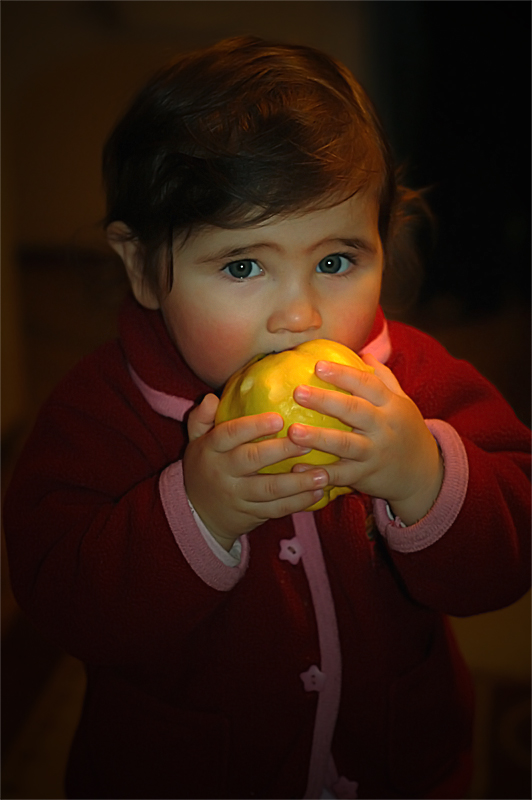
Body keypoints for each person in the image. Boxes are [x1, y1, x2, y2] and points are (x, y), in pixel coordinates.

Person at [3, 36, 530, 800]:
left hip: (399, 761)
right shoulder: (99, 415)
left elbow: (508, 555)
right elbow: (61, 599)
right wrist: (197, 513)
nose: (300, 314)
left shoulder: (410, 383)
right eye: (244, 265)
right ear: (144, 268)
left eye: (336, 260)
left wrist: (427, 475)